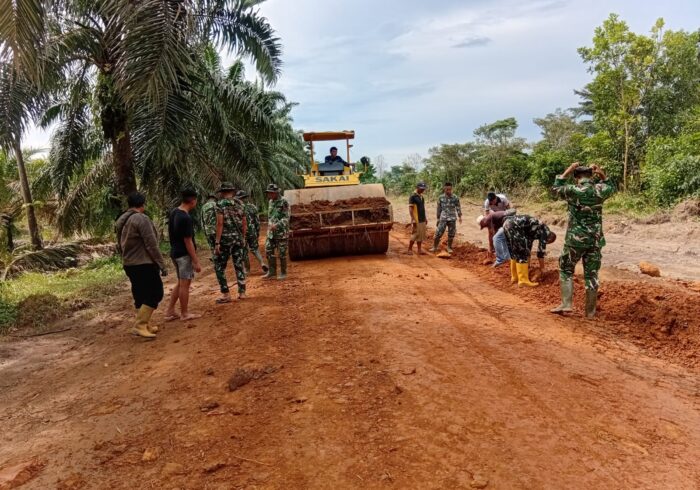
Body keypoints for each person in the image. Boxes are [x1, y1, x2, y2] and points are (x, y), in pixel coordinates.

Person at [550, 163, 616, 318]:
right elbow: (611, 187)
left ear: (576, 177)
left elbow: (555, 188)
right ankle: (590, 312)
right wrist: (602, 173)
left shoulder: (573, 190)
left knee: (566, 269)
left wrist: (568, 170)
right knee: (592, 275)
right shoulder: (600, 190)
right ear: (591, 176)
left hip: (575, 239)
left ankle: (566, 304)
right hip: (595, 240)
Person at [116, 192, 168, 338]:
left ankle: (145, 325)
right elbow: (151, 244)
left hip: (129, 263)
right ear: (143, 204)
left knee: (140, 294)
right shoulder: (141, 218)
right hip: (143, 262)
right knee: (156, 293)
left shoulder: (122, 219)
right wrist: (161, 264)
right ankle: (140, 325)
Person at [165, 188, 202, 321]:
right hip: (183, 255)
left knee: (181, 283)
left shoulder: (174, 212)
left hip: (175, 252)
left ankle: (170, 310)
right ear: (193, 201)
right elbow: (188, 241)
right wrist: (195, 260)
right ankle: (184, 313)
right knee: (185, 284)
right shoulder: (185, 217)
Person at [213, 182, 248, 303]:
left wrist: (217, 243)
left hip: (225, 241)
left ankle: (226, 294)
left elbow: (220, 223)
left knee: (219, 266)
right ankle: (242, 292)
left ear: (222, 193)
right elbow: (244, 222)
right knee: (239, 265)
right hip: (238, 239)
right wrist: (243, 237)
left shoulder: (220, 204)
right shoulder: (240, 204)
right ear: (233, 192)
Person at [502, 214, 556, 287]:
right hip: (515, 226)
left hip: (507, 224)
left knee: (515, 252)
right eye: (547, 242)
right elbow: (540, 252)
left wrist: (528, 264)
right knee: (521, 253)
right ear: (549, 239)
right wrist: (542, 268)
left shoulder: (536, 230)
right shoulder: (545, 232)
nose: (546, 243)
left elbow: (528, 246)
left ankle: (515, 277)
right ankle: (523, 280)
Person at [237, 190, 269, 275]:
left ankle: (247, 270)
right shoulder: (253, 207)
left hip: (242, 232)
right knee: (255, 249)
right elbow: (257, 222)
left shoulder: (238, 208)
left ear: (239, 198)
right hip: (252, 231)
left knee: (244, 251)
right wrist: (257, 232)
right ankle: (262, 263)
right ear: (246, 198)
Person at [263, 184, 290, 280]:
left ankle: (283, 273)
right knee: (268, 250)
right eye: (268, 193)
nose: (269, 195)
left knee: (282, 253)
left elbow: (286, 218)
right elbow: (270, 216)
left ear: (276, 193)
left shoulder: (284, 201)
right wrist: (270, 225)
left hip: (281, 233)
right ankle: (272, 272)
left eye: (270, 193)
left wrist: (277, 225)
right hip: (271, 233)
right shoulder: (270, 202)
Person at [430, 182, 462, 253]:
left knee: (451, 234)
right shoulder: (440, 197)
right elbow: (438, 208)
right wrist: (438, 218)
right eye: (447, 189)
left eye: (450, 189)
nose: (448, 191)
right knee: (438, 233)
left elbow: (458, 207)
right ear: (444, 189)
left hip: (452, 218)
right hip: (443, 218)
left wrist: (460, 216)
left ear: (451, 189)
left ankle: (449, 247)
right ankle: (434, 247)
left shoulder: (455, 197)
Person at [408, 182, 428, 255]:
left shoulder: (422, 197)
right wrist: (413, 219)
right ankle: (409, 249)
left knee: (420, 235)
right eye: (421, 189)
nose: (423, 190)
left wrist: (425, 218)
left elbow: (423, 208)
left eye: (424, 189)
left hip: (422, 218)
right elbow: (411, 208)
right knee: (415, 234)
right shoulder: (413, 196)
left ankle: (419, 250)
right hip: (416, 219)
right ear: (417, 188)